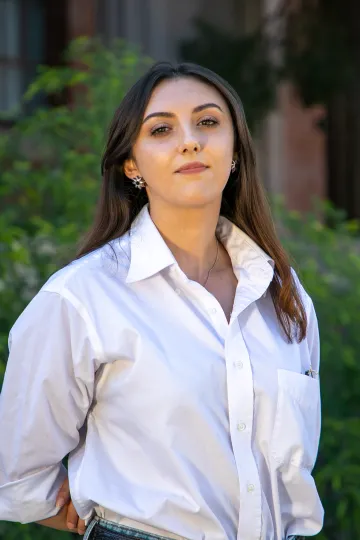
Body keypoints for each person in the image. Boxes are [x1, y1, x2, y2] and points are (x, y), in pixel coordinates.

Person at [0, 61, 323, 540]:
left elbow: (294, 471)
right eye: (162, 129)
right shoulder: (82, 299)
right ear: (131, 164)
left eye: (208, 122)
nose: (190, 140)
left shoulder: (284, 294)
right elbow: (15, 475)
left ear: (234, 151)